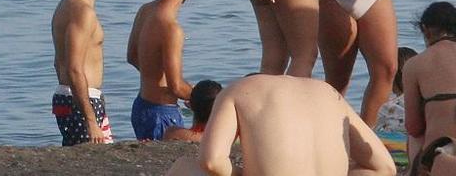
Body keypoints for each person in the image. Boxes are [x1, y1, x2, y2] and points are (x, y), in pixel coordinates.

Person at [165, 75, 396, 176]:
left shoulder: (237, 90)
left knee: (183, 166)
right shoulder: (328, 92)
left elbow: (212, 161)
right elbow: (384, 167)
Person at [126, 0, 199, 140]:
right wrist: (203, 98)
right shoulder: (172, 29)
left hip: (141, 105)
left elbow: (132, 56)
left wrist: (153, 77)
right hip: (162, 113)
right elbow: (175, 87)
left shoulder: (145, 10)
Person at [51, 0, 114, 145]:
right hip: (81, 99)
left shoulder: (65, 4)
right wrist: (90, 120)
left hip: (70, 95)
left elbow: (57, 62)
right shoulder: (83, 12)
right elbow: (74, 68)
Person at [403, 2, 456, 169]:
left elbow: (414, 127)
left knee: (415, 136)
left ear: (425, 29)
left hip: (443, 157)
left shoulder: (414, 64)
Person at [376, 46, 418, 133]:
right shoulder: (426, 101)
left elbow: (373, 132)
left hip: (396, 143)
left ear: (392, 77)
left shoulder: (388, 107)